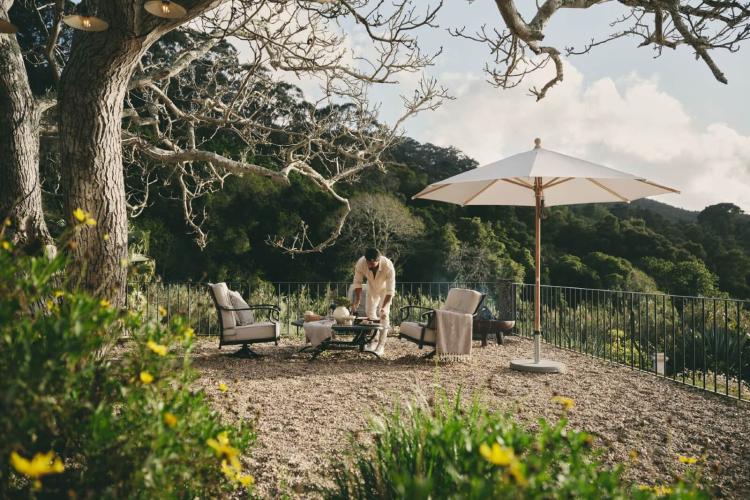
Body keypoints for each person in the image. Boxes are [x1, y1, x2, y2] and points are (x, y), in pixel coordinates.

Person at [351, 247, 396, 356]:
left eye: (372, 264)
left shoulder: (388, 266)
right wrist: (357, 300)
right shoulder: (361, 263)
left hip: (385, 289)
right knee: (369, 312)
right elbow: (357, 282)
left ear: (378, 260)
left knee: (383, 315)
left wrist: (384, 308)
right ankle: (373, 340)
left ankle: (381, 345)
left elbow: (390, 291)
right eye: (368, 263)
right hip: (371, 286)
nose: (369, 266)